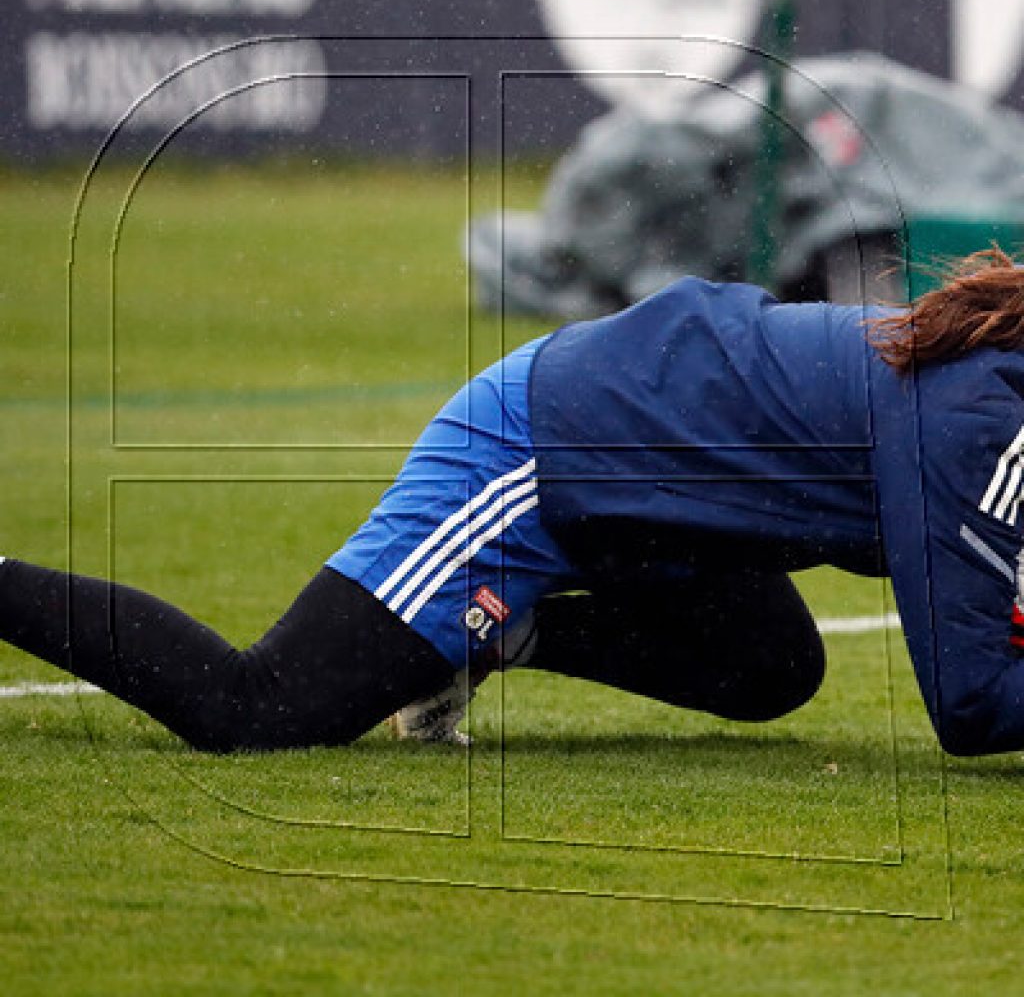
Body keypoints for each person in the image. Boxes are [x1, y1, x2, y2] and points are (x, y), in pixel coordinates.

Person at [3, 246, 1024, 756]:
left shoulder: (995, 394)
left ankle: (501, 635)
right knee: (256, 707)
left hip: (664, 496)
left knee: (771, 668)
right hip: (545, 448)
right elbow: (971, 699)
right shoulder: (977, 414)